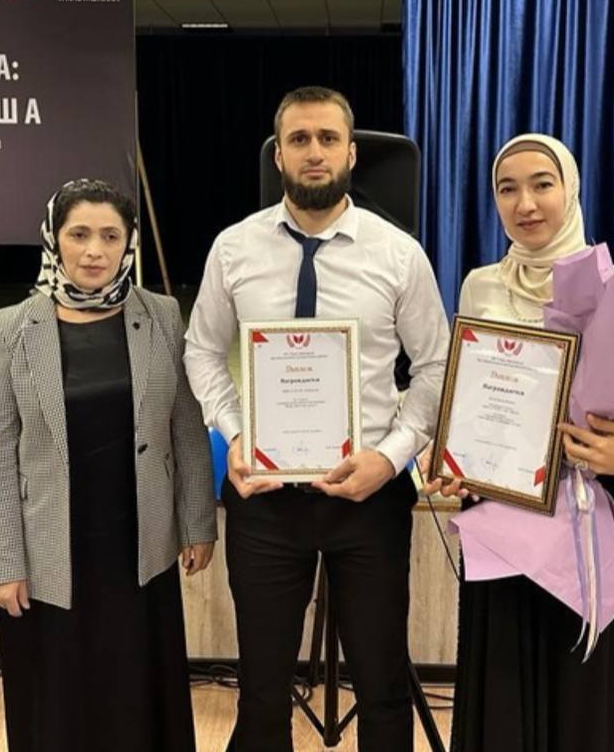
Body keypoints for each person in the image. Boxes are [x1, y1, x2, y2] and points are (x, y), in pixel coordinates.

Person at [184, 86, 450, 752]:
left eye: (328, 138)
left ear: (351, 153)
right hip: (265, 497)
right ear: (278, 155)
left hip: (370, 498)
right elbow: (201, 350)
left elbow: (437, 367)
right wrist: (235, 434)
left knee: (381, 684)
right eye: (299, 139)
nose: (314, 152)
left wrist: (390, 458)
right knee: (262, 689)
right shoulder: (234, 249)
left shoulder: (398, 254)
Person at [427, 133, 614, 752]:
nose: (525, 203)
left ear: (571, 189)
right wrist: (458, 462)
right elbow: (472, 403)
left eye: (542, 184)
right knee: (503, 687)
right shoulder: (480, 286)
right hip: (501, 516)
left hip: (594, 520)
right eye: (507, 189)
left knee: (587, 697)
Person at [0, 178, 217, 752]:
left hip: (140, 545)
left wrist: (198, 523)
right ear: (53, 239)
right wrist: (0, 560)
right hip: (48, 550)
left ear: (129, 243)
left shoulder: (162, 315)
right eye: (78, 234)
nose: (94, 251)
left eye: (110, 236)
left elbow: (186, 427)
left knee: (138, 690)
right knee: (59, 697)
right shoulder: (11, 327)